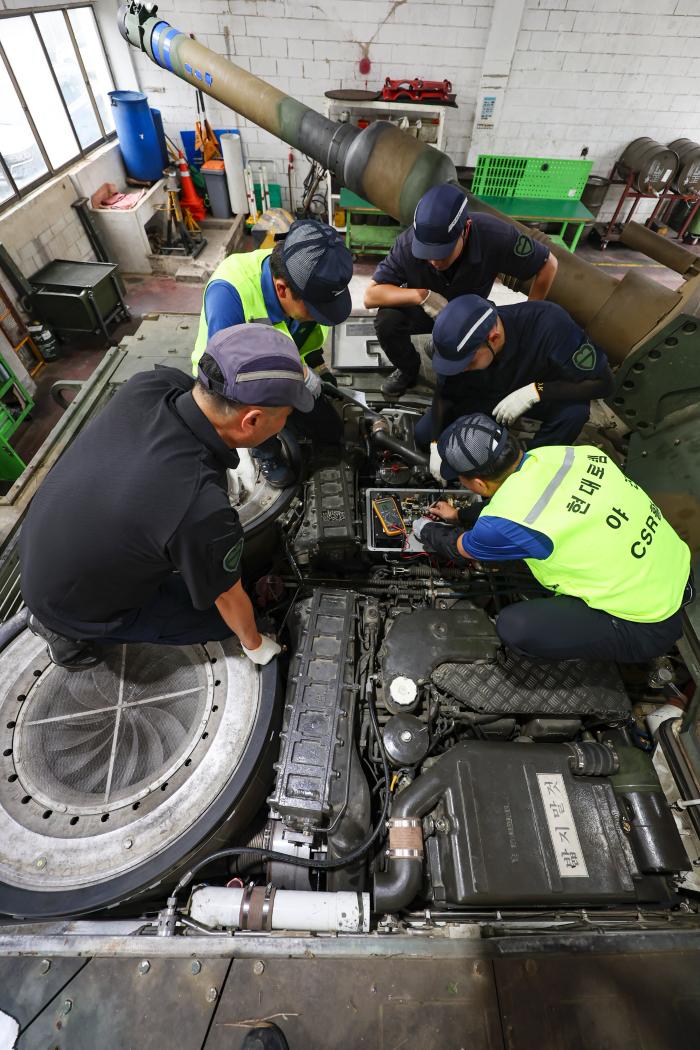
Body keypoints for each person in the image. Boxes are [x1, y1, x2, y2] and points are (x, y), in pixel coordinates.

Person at [20, 325, 314, 669]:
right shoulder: (198, 506)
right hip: (69, 604)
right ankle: (65, 636)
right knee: (222, 620)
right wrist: (255, 644)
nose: (285, 423)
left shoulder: (149, 385)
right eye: (285, 416)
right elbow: (226, 595)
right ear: (251, 420)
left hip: (45, 546)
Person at [413, 413, 693, 663]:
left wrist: (424, 529)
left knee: (514, 628)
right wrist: (460, 516)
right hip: (678, 569)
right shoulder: (563, 455)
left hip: (645, 623)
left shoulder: (503, 522)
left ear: (477, 483)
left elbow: (461, 547)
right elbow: (523, 501)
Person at [194, 218, 353, 486]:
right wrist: (299, 376)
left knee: (330, 428)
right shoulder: (228, 296)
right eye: (315, 311)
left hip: (288, 368)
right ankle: (266, 454)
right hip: (236, 385)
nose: (317, 318)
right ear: (282, 289)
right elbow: (229, 381)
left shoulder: (301, 269)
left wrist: (317, 367)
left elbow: (306, 335)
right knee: (262, 420)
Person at [363, 183, 558, 397]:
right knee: (387, 321)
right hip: (427, 310)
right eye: (427, 253)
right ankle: (408, 369)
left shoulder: (495, 235)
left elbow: (549, 264)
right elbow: (371, 296)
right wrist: (422, 296)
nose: (434, 261)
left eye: (442, 253)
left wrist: (531, 315)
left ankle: (460, 366)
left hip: (469, 315)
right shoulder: (408, 244)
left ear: (465, 229)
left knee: (496, 352)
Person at [420, 294, 615, 482]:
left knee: (574, 412)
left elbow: (604, 383)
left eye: (468, 363)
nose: (461, 369)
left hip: (534, 392)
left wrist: (536, 392)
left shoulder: (550, 324)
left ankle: (528, 471)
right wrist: (435, 443)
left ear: (493, 338)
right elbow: (444, 393)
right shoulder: (458, 345)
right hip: (485, 391)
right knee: (423, 436)